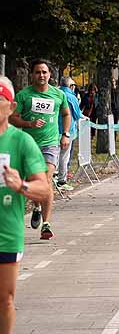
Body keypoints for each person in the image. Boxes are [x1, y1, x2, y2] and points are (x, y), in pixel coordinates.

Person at [0, 75, 53, 334]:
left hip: (6, 230)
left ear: (10, 106)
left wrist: (21, 185)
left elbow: (44, 188)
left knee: (5, 298)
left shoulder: (21, 142)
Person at [11, 60, 70, 240]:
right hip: (29, 144)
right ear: (32, 75)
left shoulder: (58, 94)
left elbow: (66, 114)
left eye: (44, 72)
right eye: (38, 72)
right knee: (34, 180)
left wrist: (65, 134)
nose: (41, 75)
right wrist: (29, 123)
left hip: (50, 144)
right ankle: (36, 206)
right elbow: (13, 117)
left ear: (50, 75)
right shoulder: (24, 95)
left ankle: (46, 223)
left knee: (46, 180)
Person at [57, 77, 82, 190]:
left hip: (53, 130)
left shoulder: (55, 94)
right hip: (67, 131)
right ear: (71, 86)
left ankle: (52, 176)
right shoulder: (71, 97)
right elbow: (77, 114)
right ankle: (61, 181)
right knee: (64, 156)